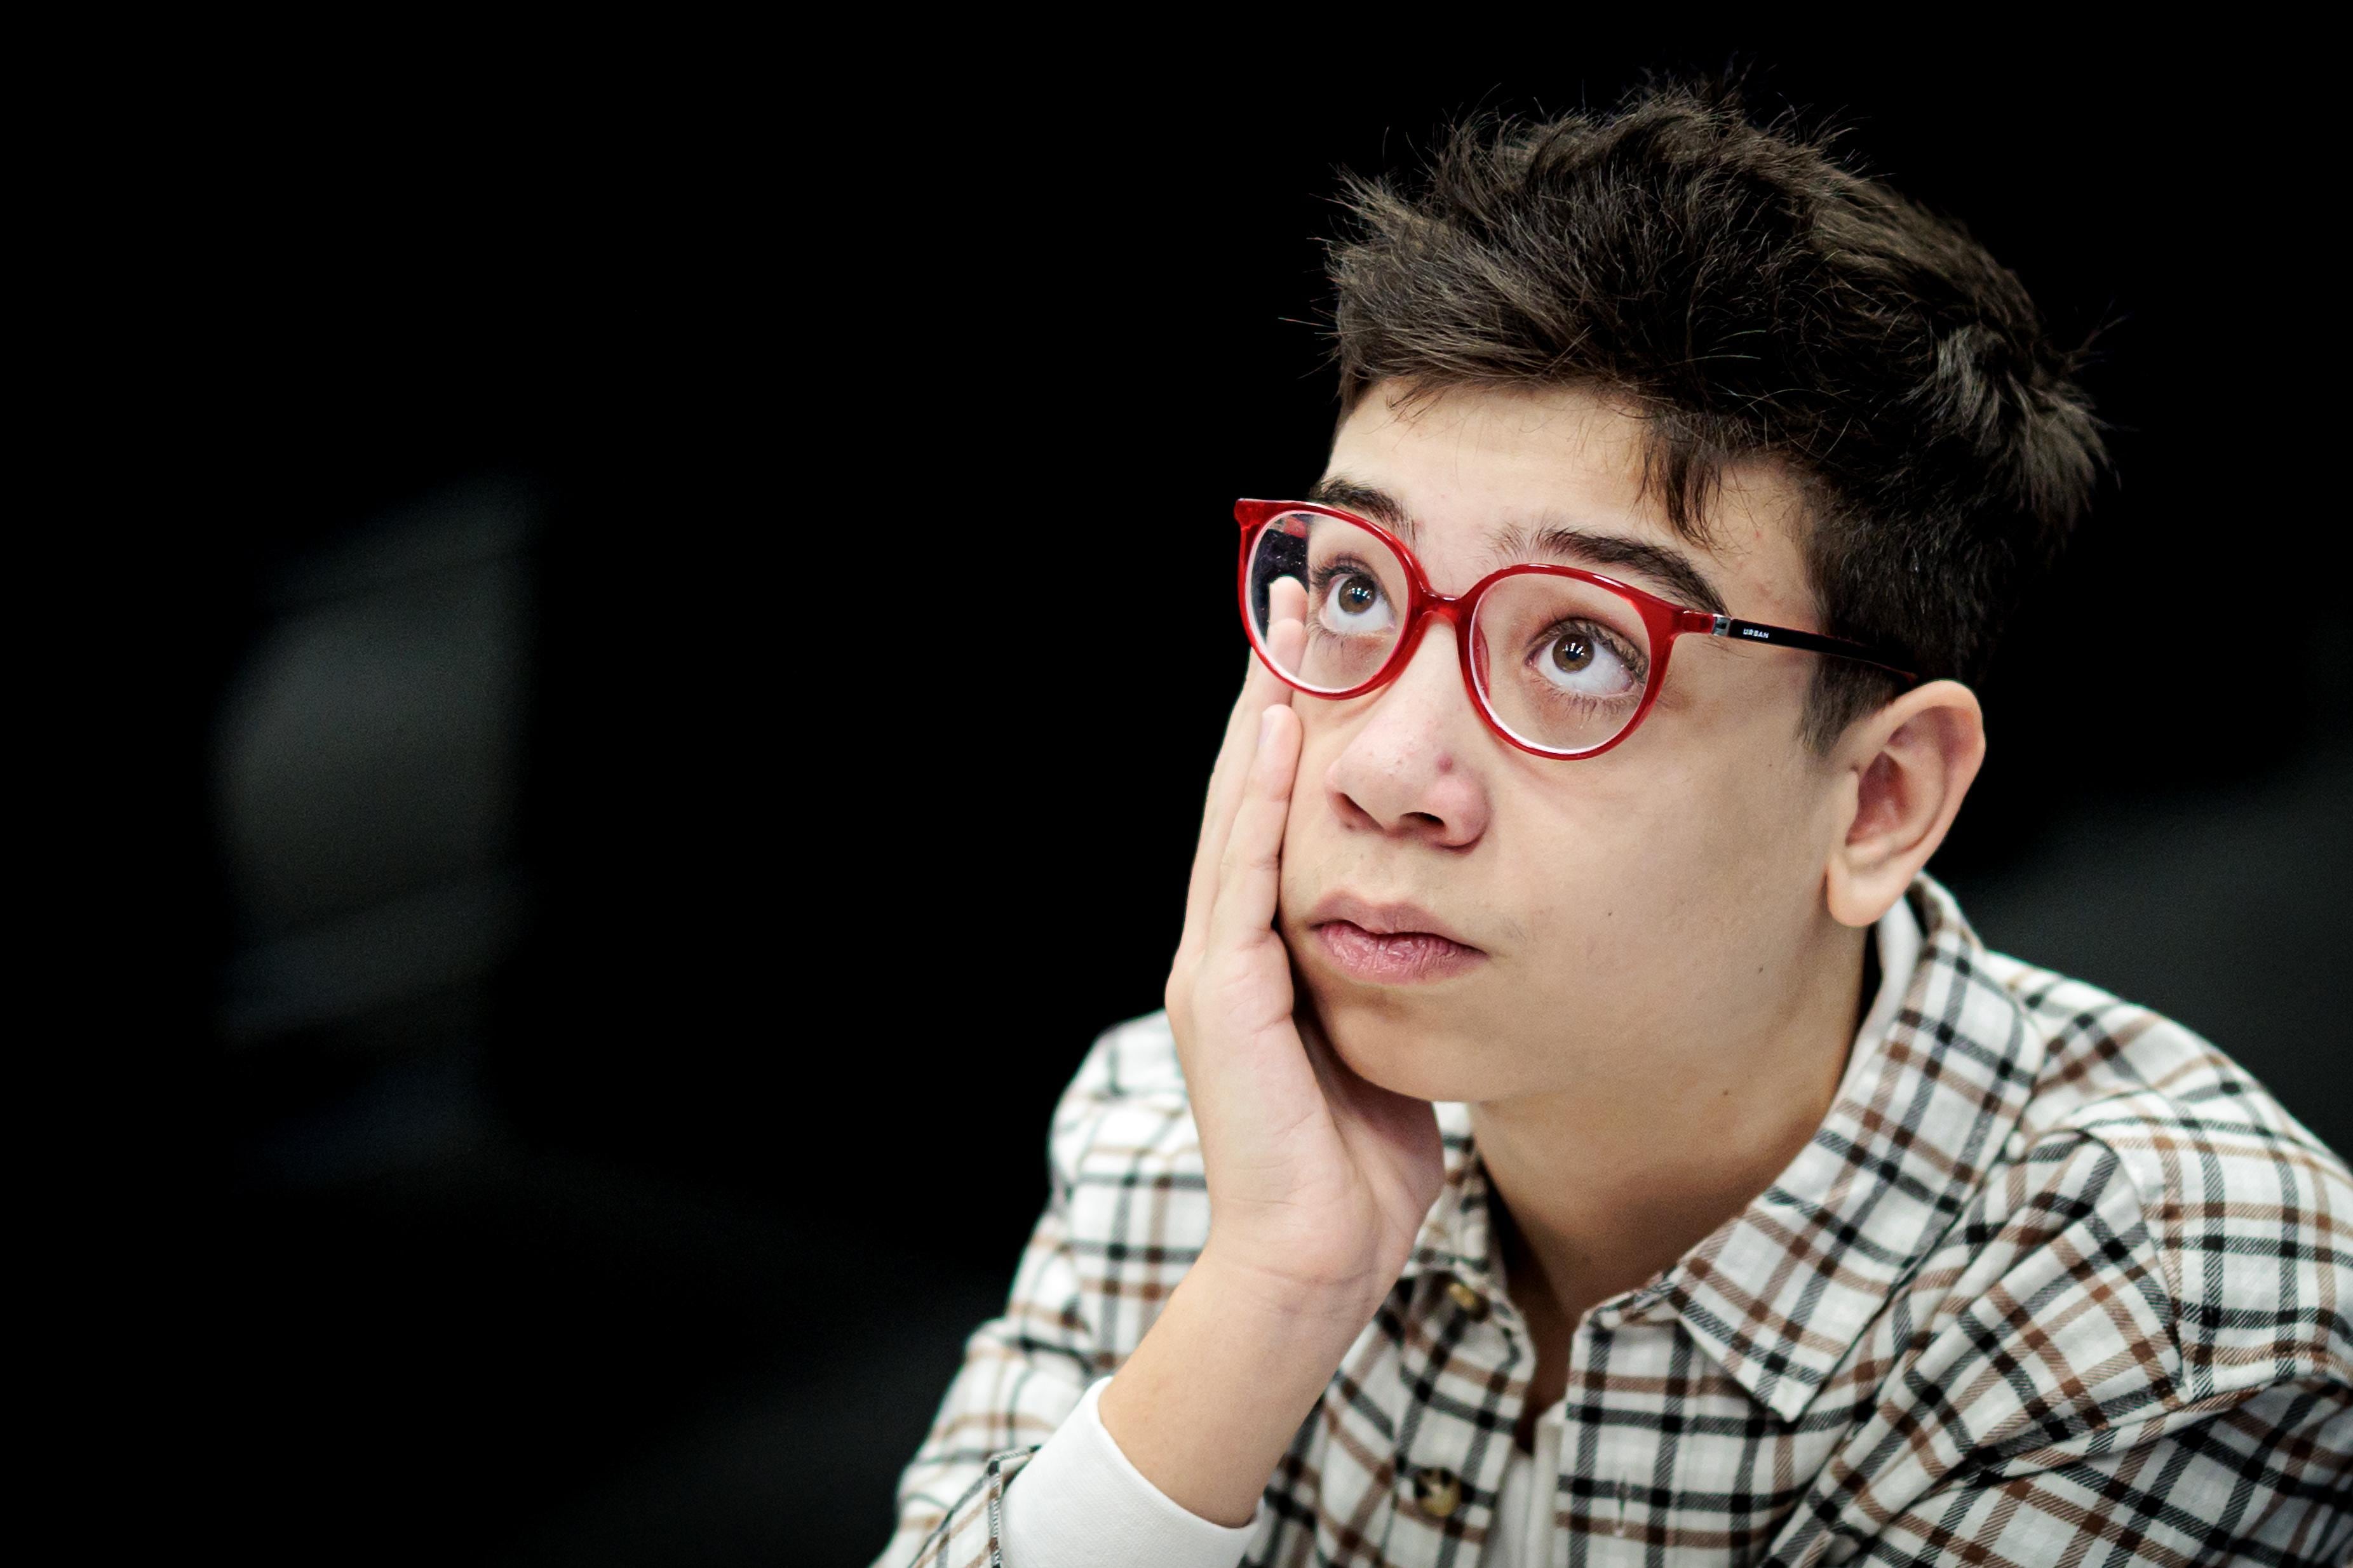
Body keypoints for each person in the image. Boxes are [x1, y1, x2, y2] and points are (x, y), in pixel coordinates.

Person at [874, 84, 2353, 1567]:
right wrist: (1274, 1283)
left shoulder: (2171, 1311)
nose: (1385, 768)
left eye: (1582, 645)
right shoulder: (1183, 1129)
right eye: (1354, 589)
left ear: (1880, 795)